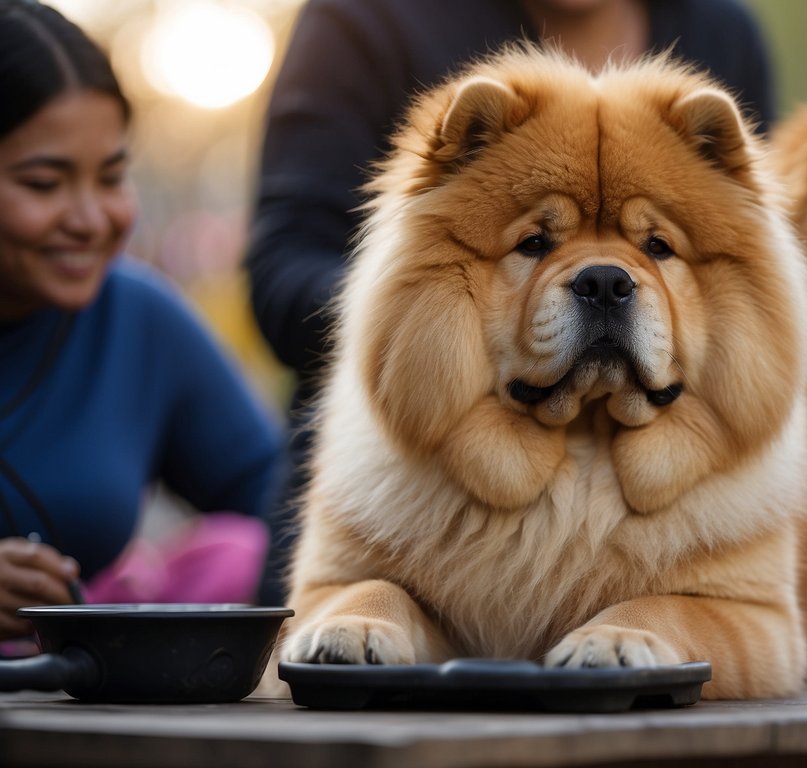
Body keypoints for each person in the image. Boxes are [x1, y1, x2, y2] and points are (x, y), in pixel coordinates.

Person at [246, 0, 777, 605]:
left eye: (656, 246)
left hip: (679, 505)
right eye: (535, 242)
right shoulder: (363, 18)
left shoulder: (723, 31)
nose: (603, 281)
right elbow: (282, 272)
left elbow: (757, 265)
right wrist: (409, 320)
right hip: (416, 498)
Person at [0, 0, 282, 641]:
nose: (91, 218)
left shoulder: (137, 318)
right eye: (44, 184)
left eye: (112, 178)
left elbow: (287, 506)